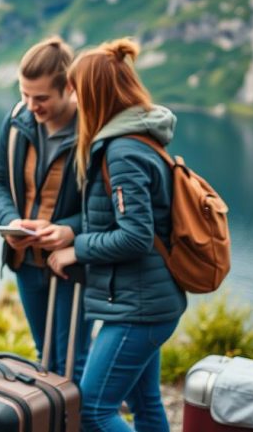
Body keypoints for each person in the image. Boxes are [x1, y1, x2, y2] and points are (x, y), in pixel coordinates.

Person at [47, 38, 187, 431]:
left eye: (76, 90)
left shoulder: (122, 153)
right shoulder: (139, 140)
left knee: (92, 411)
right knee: (146, 405)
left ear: (94, 95)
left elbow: (135, 236)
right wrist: (70, 229)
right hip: (146, 301)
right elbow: (115, 218)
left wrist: (77, 248)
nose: (73, 101)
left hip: (138, 308)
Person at [0, 36, 91, 382]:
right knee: (42, 359)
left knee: (71, 365)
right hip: (26, 262)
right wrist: (10, 221)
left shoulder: (91, 132)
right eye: (24, 94)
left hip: (71, 267)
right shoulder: (18, 120)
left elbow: (104, 208)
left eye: (41, 97)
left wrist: (69, 230)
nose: (31, 105)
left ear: (69, 89)